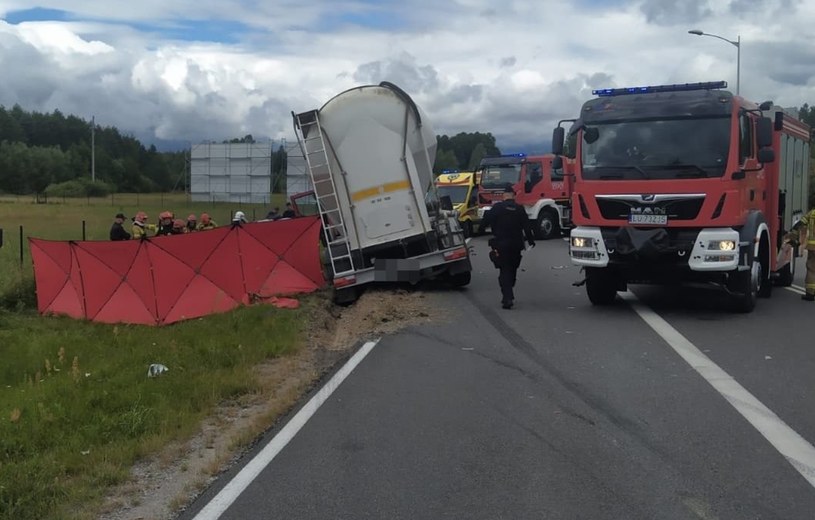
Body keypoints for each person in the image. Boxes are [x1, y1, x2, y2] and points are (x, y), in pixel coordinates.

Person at [482, 185, 535, 309]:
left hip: (501, 244)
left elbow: (485, 221)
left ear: (503, 195)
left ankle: (507, 297)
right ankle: (509, 289)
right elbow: (527, 227)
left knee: (504, 269)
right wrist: (531, 241)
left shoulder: (497, 208)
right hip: (516, 245)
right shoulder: (519, 209)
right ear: (513, 195)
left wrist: (482, 228)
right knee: (512, 268)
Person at [797, 207, 815, 301]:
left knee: (812, 269)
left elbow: (802, 222)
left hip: (813, 246)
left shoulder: (812, 213)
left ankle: (810, 293)